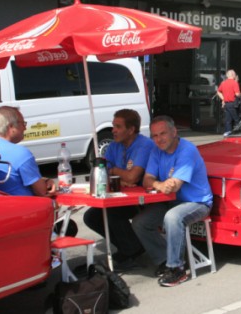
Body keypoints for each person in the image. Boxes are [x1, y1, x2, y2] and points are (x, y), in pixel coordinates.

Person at [132, 116, 213, 288]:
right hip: (170, 201)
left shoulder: (187, 150)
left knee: (172, 217)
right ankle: (164, 260)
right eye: (154, 135)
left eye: (163, 134)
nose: (158, 139)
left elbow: (174, 186)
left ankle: (177, 269)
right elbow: (147, 180)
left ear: (174, 132)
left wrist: (163, 185)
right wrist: (159, 184)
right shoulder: (156, 151)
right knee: (140, 223)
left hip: (197, 202)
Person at [83, 109, 155, 270]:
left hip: (146, 198)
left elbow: (132, 178)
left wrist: (116, 172)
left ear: (131, 130)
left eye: (118, 126)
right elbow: (102, 170)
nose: (113, 130)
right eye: (113, 126)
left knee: (111, 212)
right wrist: (121, 176)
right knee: (91, 216)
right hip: (122, 195)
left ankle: (130, 250)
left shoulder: (143, 145)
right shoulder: (114, 145)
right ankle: (131, 247)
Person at [0, 106, 56, 196]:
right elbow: (42, 192)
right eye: (23, 123)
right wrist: (49, 181)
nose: (25, 128)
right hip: (20, 205)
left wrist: (44, 179)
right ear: (11, 126)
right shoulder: (21, 153)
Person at [216, 69, 241, 135]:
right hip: (232, 103)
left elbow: (218, 92)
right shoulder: (234, 83)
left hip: (226, 104)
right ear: (233, 75)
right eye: (235, 74)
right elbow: (237, 94)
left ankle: (228, 132)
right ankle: (238, 132)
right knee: (236, 119)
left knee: (228, 119)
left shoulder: (223, 83)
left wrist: (223, 99)